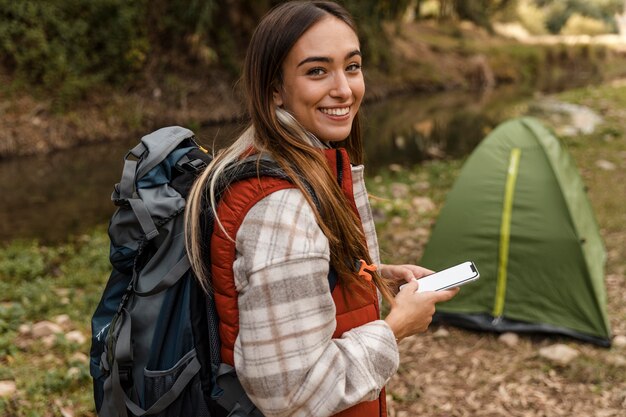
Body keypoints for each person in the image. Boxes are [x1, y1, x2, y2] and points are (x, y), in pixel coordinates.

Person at [184, 1, 459, 416]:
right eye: (317, 71)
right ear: (274, 88)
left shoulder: (281, 162)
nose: (345, 89)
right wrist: (397, 326)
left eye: (352, 66)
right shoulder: (282, 208)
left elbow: (291, 280)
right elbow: (292, 394)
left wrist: (370, 275)